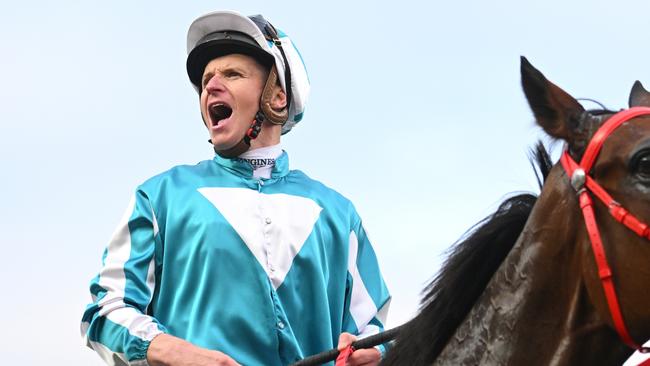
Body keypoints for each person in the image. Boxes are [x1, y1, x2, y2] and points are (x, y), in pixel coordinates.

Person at [80, 10, 391, 366]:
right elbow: (104, 311)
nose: (210, 85)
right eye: (206, 78)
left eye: (232, 74)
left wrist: (374, 351)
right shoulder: (160, 197)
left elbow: (372, 328)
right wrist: (176, 351)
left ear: (277, 97)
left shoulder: (339, 214)